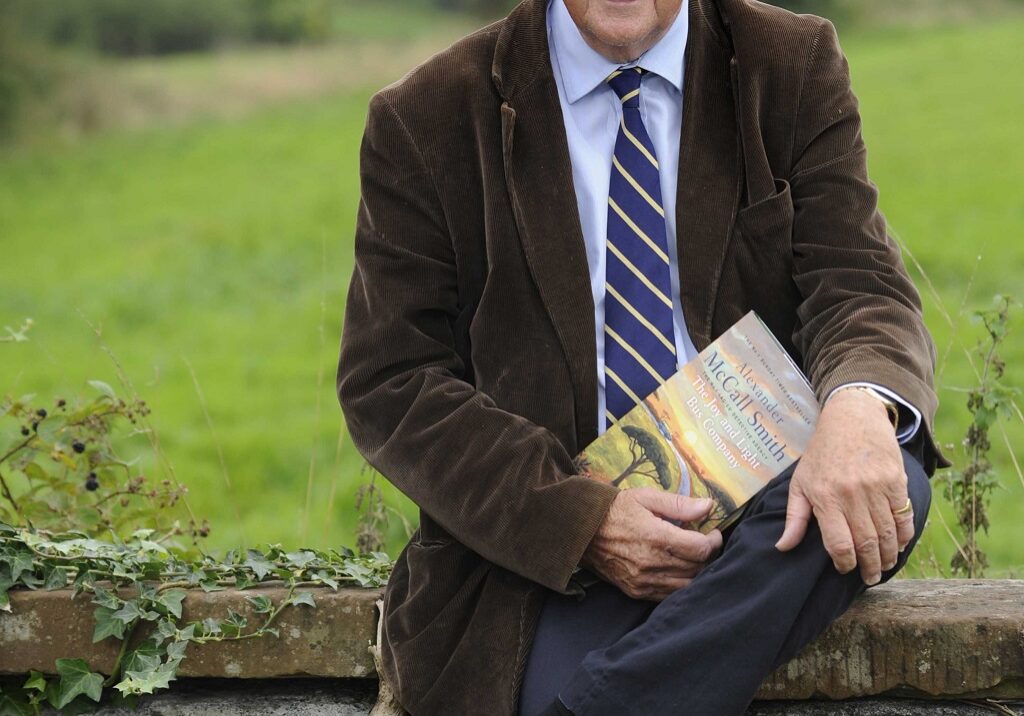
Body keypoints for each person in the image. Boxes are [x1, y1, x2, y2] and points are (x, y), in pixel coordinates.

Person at [336, 0, 948, 713]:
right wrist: (582, 520)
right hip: (548, 559)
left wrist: (857, 401)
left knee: (888, 477)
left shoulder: (790, 63)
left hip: (763, 509)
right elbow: (391, 381)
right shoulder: (427, 116)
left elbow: (858, 283)